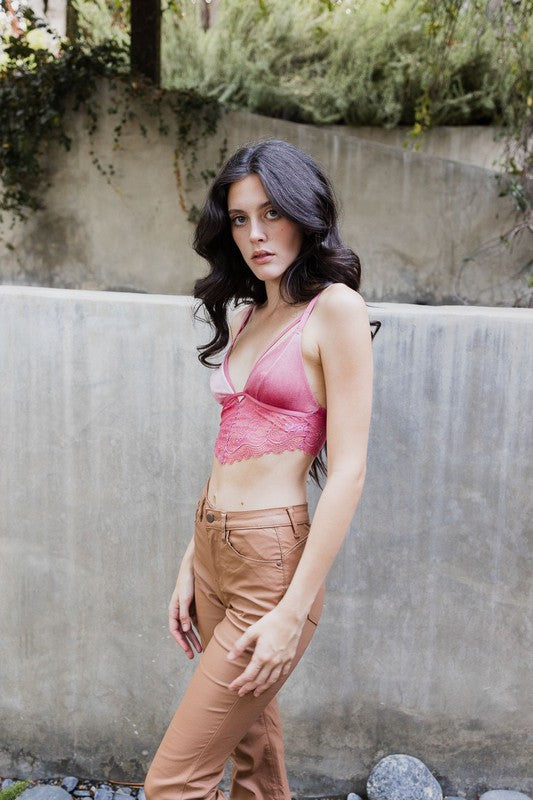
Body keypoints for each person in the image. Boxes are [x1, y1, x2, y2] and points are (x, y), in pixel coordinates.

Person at [144, 138, 380, 800]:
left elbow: (349, 471)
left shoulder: (335, 309)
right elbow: (228, 446)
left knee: (173, 783)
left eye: (272, 212)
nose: (255, 234)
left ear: (304, 214)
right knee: (254, 754)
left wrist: (291, 612)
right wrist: (190, 561)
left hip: (269, 565)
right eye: (240, 218)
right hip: (213, 550)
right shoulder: (250, 313)